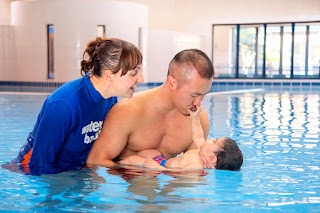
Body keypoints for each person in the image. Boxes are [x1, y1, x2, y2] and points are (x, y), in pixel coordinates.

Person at [9, 37, 144, 174]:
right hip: (27, 171)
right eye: (134, 73)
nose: (141, 79)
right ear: (109, 76)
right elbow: (39, 165)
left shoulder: (109, 100)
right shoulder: (64, 104)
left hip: (72, 171)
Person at [87, 49, 215, 168]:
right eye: (194, 95)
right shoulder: (128, 111)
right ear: (172, 83)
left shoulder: (199, 120)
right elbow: (95, 160)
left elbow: (191, 171)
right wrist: (137, 170)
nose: (198, 103)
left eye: (204, 95)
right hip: (127, 186)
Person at [118, 105, 243, 171]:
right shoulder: (202, 152)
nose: (210, 139)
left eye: (214, 141)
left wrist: (157, 168)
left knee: (133, 160)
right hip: (163, 160)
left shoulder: (197, 166)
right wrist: (194, 118)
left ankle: (117, 165)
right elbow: (198, 136)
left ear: (211, 158)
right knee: (148, 152)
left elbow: (177, 175)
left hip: (163, 167)